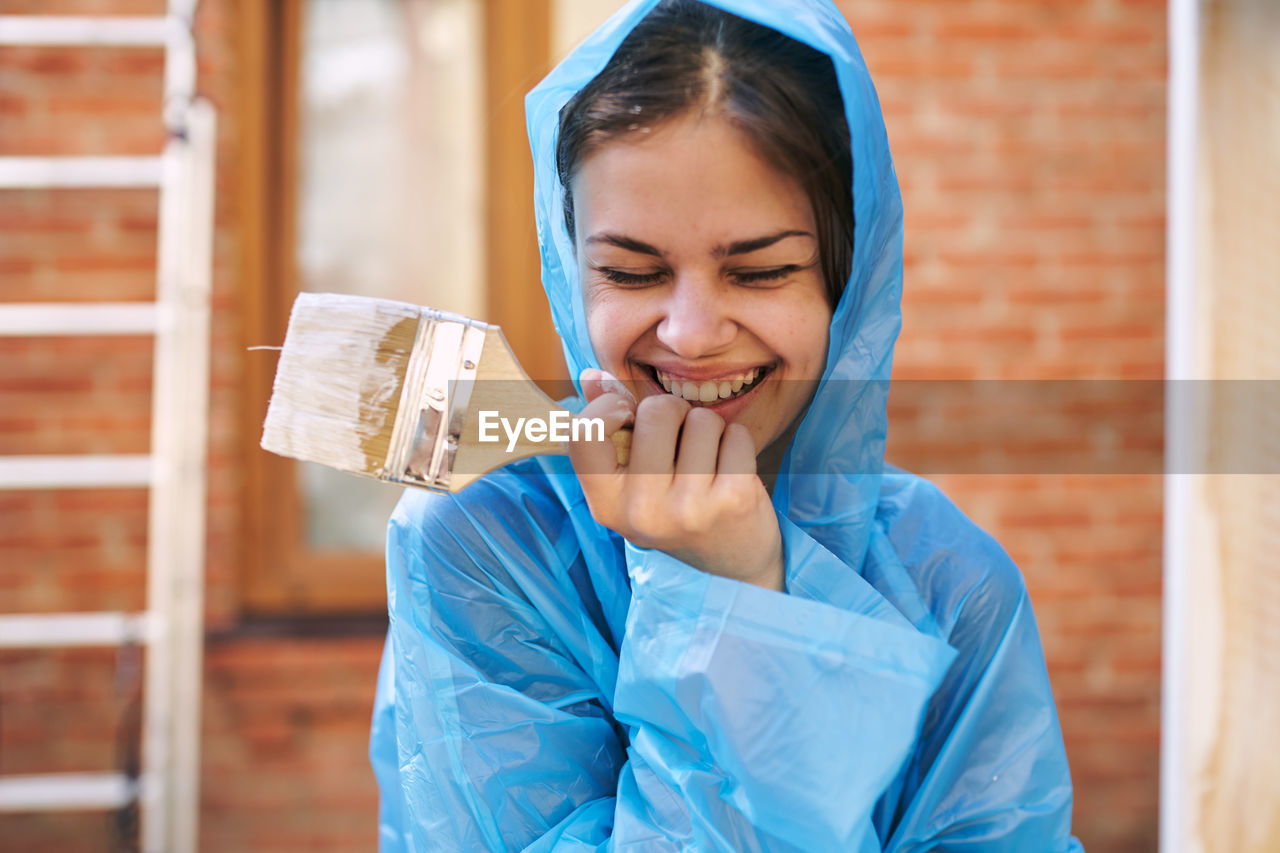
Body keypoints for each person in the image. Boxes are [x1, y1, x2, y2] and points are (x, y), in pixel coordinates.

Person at [370, 0, 1084, 850]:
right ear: (574, 268)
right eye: (632, 272)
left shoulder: (957, 591)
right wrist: (725, 607)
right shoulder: (484, 548)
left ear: (845, 283)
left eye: (760, 271)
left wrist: (741, 594)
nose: (692, 333)